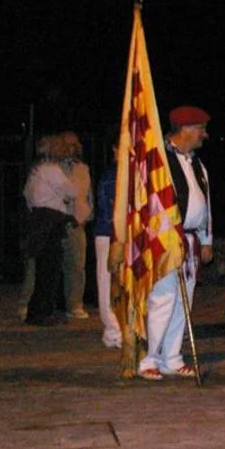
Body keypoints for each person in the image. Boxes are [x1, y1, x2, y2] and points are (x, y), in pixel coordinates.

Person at [137, 105, 214, 381]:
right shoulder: (160, 162)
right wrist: (167, 237)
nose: (204, 135)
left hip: (191, 241)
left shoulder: (197, 165)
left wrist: (206, 239)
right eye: (201, 129)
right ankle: (149, 358)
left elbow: (206, 205)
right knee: (164, 298)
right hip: (166, 240)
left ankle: (172, 357)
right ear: (186, 129)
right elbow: (149, 203)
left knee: (184, 301)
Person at [22, 134, 76, 326]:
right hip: (51, 221)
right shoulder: (52, 170)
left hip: (39, 219)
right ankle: (43, 312)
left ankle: (37, 310)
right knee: (50, 269)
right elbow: (72, 191)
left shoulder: (36, 170)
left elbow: (27, 195)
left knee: (43, 268)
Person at [59, 131, 93, 320]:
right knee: (55, 264)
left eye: (74, 144)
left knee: (77, 266)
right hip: (57, 221)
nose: (71, 148)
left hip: (77, 223)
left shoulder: (82, 168)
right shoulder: (54, 167)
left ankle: (75, 304)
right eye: (67, 144)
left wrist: (86, 216)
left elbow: (87, 195)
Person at [94, 136, 123, 348]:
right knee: (107, 282)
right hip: (108, 234)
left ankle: (120, 328)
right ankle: (112, 331)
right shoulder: (111, 176)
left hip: (123, 235)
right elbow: (108, 209)